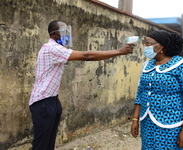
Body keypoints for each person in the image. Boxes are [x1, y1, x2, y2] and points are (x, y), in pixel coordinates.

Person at [29, 20, 134, 150]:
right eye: (64, 32)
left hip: (51, 100)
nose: (67, 35)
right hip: (43, 102)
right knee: (41, 144)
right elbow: (87, 56)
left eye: (68, 32)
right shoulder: (52, 49)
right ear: (54, 34)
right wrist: (119, 51)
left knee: (49, 142)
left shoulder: (57, 49)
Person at [131, 30, 183, 149]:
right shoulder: (147, 65)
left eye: (149, 44)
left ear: (161, 46)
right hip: (147, 122)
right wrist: (135, 119)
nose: (146, 47)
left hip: (171, 124)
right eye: (146, 44)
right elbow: (140, 93)